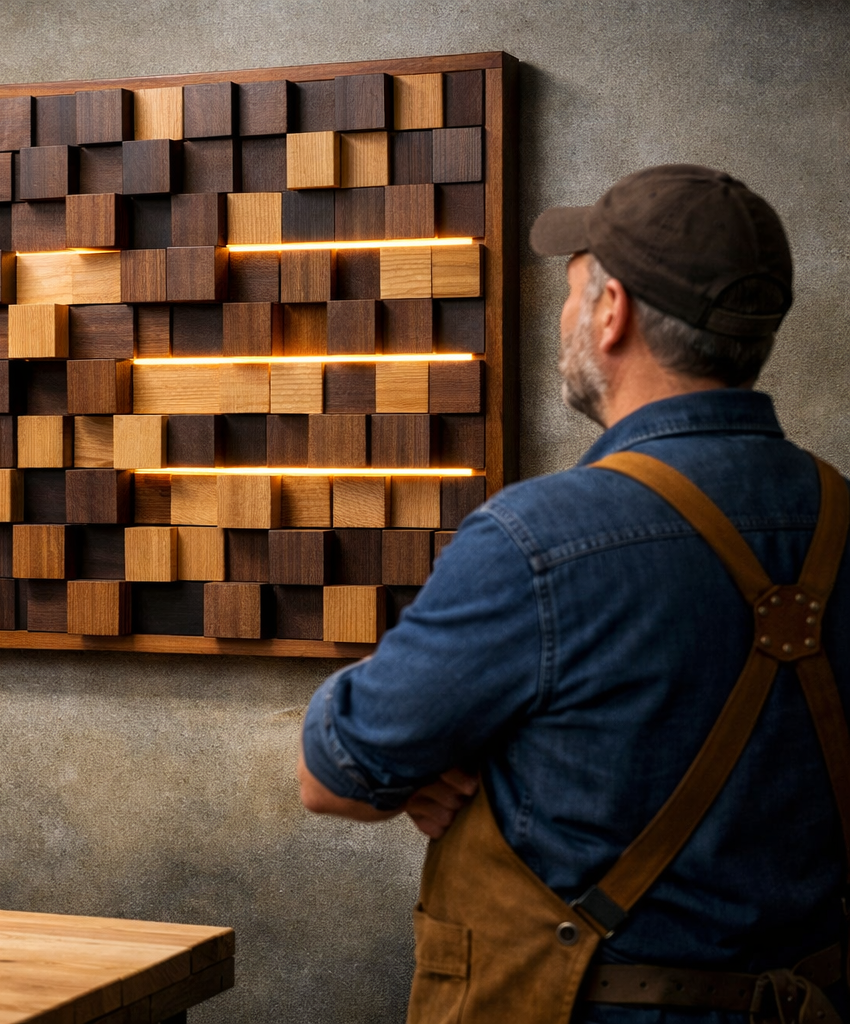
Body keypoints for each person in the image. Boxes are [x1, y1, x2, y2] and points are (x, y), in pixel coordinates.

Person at [298, 164, 849, 1024]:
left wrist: (423, 743)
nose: (565, 319)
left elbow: (332, 776)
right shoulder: (846, 517)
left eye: (571, 293)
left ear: (612, 311)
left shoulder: (539, 539)